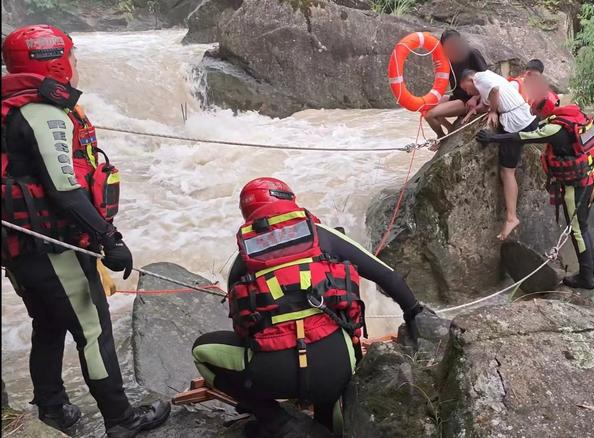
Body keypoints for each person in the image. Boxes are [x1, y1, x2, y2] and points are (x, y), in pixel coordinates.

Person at [1, 25, 170, 436]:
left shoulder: (11, 106)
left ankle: (53, 408)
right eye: (72, 58)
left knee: (48, 323)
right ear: (54, 63)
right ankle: (120, 418)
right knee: (93, 329)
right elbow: (66, 189)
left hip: (21, 249)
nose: (76, 66)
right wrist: (109, 239)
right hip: (53, 248)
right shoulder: (43, 114)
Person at [192, 177, 423, 437]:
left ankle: (278, 420)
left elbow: (243, 323)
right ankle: (325, 420)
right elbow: (388, 276)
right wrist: (414, 313)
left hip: (274, 376)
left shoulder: (244, 258)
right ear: (289, 200)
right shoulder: (323, 236)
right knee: (332, 399)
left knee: (201, 351)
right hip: (335, 368)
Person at [476, 100, 594, 288]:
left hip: (575, 187)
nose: (533, 115)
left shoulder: (554, 129)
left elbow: (522, 137)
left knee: (576, 230)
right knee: (583, 228)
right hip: (590, 179)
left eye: (535, 112)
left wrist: (492, 138)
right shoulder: (576, 118)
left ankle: (587, 278)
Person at [459, 68, 539, 240]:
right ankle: (512, 217)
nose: (468, 92)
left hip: (517, 122)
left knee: (507, 172)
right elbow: (493, 97)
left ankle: (511, 217)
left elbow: (494, 91)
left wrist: (493, 111)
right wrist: (476, 110)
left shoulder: (480, 79)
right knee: (509, 169)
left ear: (470, 79)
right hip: (526, 117)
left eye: (466, 89)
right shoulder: (487, 77)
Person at [424, 29, 488, 146]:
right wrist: (438, 70)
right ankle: (449, 130)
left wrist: (475, 97)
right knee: (424, 107)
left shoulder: (472, 53)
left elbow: (488, 79)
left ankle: (441, 138)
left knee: (430, 114)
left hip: (469, 99)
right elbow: (441, 86)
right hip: (456, 96)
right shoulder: (446, 59)